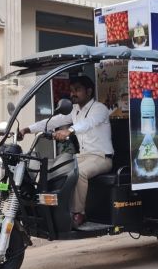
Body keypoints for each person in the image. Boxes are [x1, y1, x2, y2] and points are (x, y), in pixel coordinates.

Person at [19, 76, 114, 228]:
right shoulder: (75, 110)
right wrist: (28, 129)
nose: (73, 94)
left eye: (77, 90)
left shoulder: (99, 108)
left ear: (89, 91)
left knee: (79, 172)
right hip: (83, 155)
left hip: (101, 157)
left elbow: (88, 124)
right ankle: (54, 209)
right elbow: (54, 121)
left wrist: (70, 130)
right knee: (58, 164)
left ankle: (78, 213)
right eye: (71, 90)